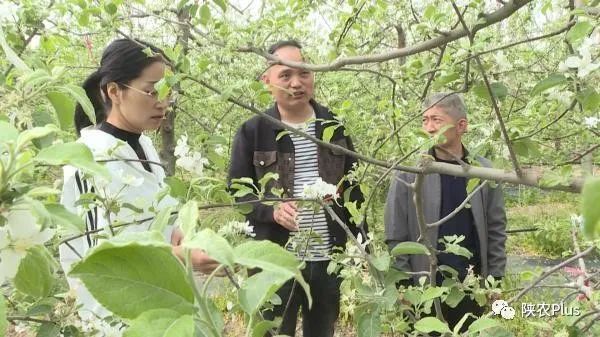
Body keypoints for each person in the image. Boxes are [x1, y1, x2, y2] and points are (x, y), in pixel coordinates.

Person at [59, 38, 218, 320]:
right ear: (114, 92)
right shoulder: (90, 160)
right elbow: (101, 255)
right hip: (112, 315)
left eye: (168, 92)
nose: (163, 102)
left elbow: (154, 214)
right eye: (151, 91)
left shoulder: (142, 145)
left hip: (156, 299)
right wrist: (180, 255)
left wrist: (178, 232)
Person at [228, 40, 367, 337]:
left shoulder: (333, 128)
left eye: (304, 73)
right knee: (274, 331)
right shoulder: (254, 131)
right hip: (274, 261)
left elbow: (353, 190)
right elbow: (238, 192)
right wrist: (271, 210)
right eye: (285, 76)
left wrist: (363, 247)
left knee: (322, 330)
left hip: (328, 260)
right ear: (267, 82)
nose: (297, 83)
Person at [384, 92, 507, 331]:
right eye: (425, 120)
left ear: (461, 125)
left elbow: (496, 229)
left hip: (471, 286)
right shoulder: (409, 172)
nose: (429, 128)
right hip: (423, 287)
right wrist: (403, 284)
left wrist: (495, 280)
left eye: (436, 120)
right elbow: (395, 232)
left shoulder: (483, 172)